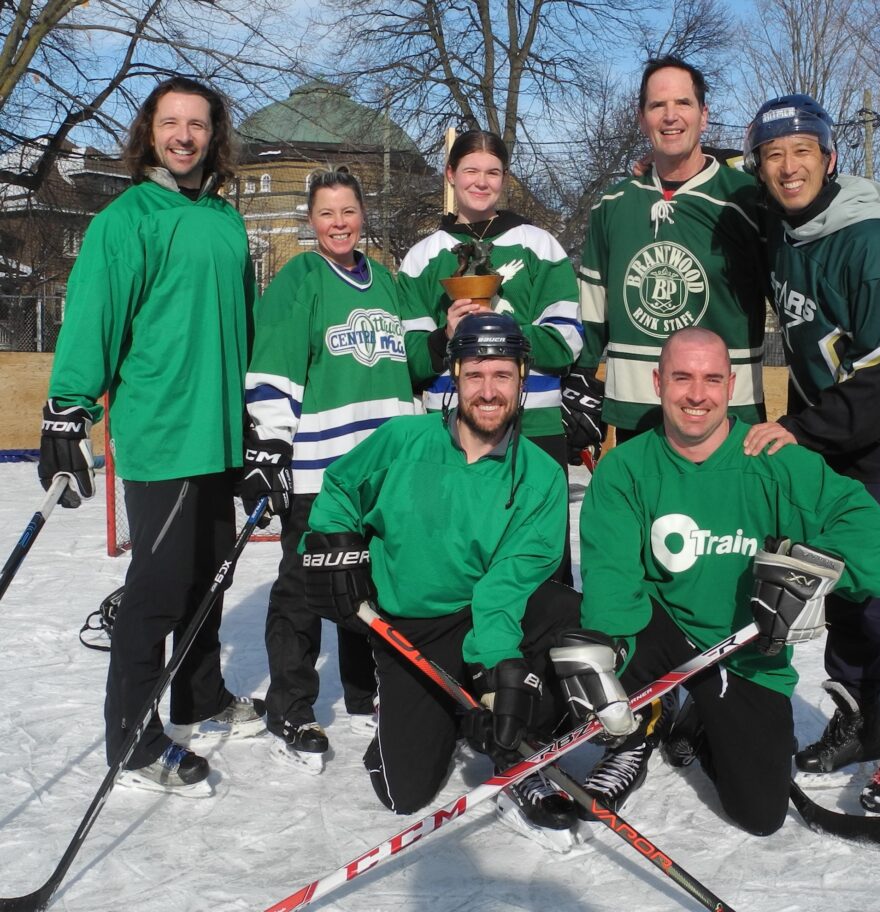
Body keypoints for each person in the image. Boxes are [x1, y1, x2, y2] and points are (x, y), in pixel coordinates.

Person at [568, 328, 880, 835]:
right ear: (658, 382)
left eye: (711, 379)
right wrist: (613, 672)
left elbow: (873, 539)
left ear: (731, 384)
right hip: (659, 630)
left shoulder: (774, 461)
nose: (697, 395)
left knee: (759, 814)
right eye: (682, 378)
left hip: (743, 652)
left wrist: (813, 576)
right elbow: (611, 580)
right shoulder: (625, 469)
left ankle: (697, 719)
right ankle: (647, 723)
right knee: (583, 689)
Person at [39, 76, 260, 796]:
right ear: (151, 132)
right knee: (157, 592)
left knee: (210, 579)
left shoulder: (228, 222)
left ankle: (199, 696)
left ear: (214, 133)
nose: (185, 135)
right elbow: (95, 315)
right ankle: (132, 739)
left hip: (223, 433)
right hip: (164, 434)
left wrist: (258, 418)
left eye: (198, 123)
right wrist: (68, 408)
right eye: (172, 122)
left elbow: (245, 328)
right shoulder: (127, 218)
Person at [299, 313, 584, 851]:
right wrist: (335, 545)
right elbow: (337, 491)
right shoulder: (403, 439)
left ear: (524, 379)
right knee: (404, 794)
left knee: (573, 624)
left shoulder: (541, 476)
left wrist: (497, 673)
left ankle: (521, 756)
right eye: (475, 374)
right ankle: (428, 714)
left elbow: (506, 587)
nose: (488, 390)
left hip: (487, 615)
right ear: (454, 376)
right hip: (410, 630)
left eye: (502, 375)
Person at [741, 94, 880, 814]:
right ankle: (859, 722)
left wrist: (804, 431)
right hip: (833, 440)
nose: (788, 166)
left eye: (803, 150)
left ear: (831, 157)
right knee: (842, 593)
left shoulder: (871, 242)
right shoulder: (784, 228)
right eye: (773, 155)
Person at [240, 167, 419, 772]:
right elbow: (276, 366)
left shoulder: (388, 283)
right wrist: (269, 443)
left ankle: (368, 690)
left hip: (387, 473)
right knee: (304, 590)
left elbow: (411, 368)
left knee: (373, 585)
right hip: (323, 473)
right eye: (326, 213)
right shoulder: (301, 278)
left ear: (362, 214)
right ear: (310, 221)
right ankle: (290, 704)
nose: (339, 223)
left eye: (348, 211)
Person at [398, 129, 581, 581]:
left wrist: (502, 327)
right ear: (450, 175)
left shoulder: (540, 245)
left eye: (493, 172)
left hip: (534, 428)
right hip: (454, 436)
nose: (482, 182)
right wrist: (447, 335)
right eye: (471, 171)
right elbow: (410, 361)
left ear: (505, 178)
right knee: (460, 566)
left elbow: (567, 343)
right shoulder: (422, 257)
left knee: (541, 566)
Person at [572, 56, 768, 446]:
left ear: (704, 114)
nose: (670, 116)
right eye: (657, 105)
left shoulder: (747, 199)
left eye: (683, 103)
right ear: (641, 117)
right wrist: (579, 374)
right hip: (637, 407)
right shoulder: (612, 204)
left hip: (726, 410)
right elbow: (594, 305)